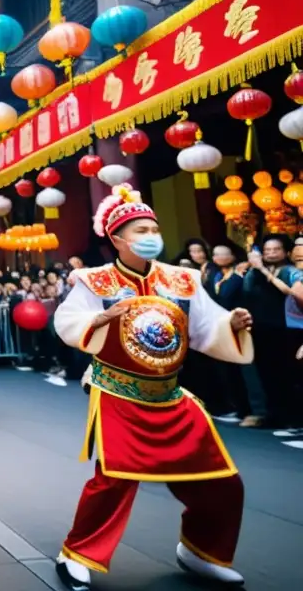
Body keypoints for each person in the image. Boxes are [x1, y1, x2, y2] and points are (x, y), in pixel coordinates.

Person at [53, 184, 254, 590]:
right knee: (114, 479)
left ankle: (202, 551)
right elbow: (69, 321)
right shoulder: (94, 281)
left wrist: (229, 325)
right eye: (140, 230)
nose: (150, 236)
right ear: (117, 239)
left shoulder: (181, 279)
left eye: (153, 228)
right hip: (118, 392)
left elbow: (203, 327)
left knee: (221, 480)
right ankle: (77, 553)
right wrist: (102, 319)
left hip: (170, 395)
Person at [241, 234, 303, 433]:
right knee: (266, 374)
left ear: (286, 252)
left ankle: (293, 418)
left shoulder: (291, 271)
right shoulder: (254, 272)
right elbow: (247, 291)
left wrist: (261, 269)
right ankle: (274, 415)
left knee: (288, 374)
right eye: (267, 250)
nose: (271, 253)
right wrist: (253, 269)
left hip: (286, 330)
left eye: (275, 249)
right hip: (261, 329)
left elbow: (290, 292)